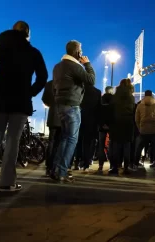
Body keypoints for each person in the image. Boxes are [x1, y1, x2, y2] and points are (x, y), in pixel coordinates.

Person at [0, 21, 48, 191]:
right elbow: (42, 76)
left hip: (0, 98)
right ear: (27, 33)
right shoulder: (33, 52)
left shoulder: (3, 47)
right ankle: (7, 183)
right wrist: (30, 92)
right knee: (13, 140)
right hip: (20, 101)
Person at [50, 40, 95, 183]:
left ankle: (55, 170)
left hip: (60, 105)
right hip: (72, 105)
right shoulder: (74, 66)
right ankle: (62, 172)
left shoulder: (58, 66)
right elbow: (91, 80)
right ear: (77, 52)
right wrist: (87, 64)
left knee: (65, 138)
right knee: (71, 139)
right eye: (80, 49)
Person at [109, 79, 135, 174]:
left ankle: (115, 167)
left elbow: (111, 110)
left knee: (116, 146)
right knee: (126, 146)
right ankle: (126, 167)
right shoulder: (131, 97)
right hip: (128, 123)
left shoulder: (115, 96)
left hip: (116, 123)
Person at [135, 90, 155, 172]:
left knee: (139, 147)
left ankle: (135, 164)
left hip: (143, 129)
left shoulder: (140, 105)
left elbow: (137, 118)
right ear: (152, 95)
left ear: (144, 95)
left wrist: (139, 127)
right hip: (154, 130)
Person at [77, 85, 101, 172]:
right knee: (88, 143)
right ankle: (86, 164)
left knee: (78, 141)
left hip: (80, 119)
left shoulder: (81, 89)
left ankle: (77, 162)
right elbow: (99, 108)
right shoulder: (97, 92)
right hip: (92, 121)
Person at [42, 80, 61, 176]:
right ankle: (56, 166)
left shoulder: (50, 84)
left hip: (53, 115)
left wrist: (52, 105)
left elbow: (45, 99)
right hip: (64, 116)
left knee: (51, 141)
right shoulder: (67, 81)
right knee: (60, 142)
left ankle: (48, 166)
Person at [98, 86, 114, 171]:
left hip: (101, 126)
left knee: (101, 145)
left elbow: (98, 113)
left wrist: (102, 124)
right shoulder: (114, 100)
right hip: (111, 126)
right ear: (111, 91)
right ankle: (112, 165)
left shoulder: (101, 99)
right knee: (112, 145)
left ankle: (100, 165)